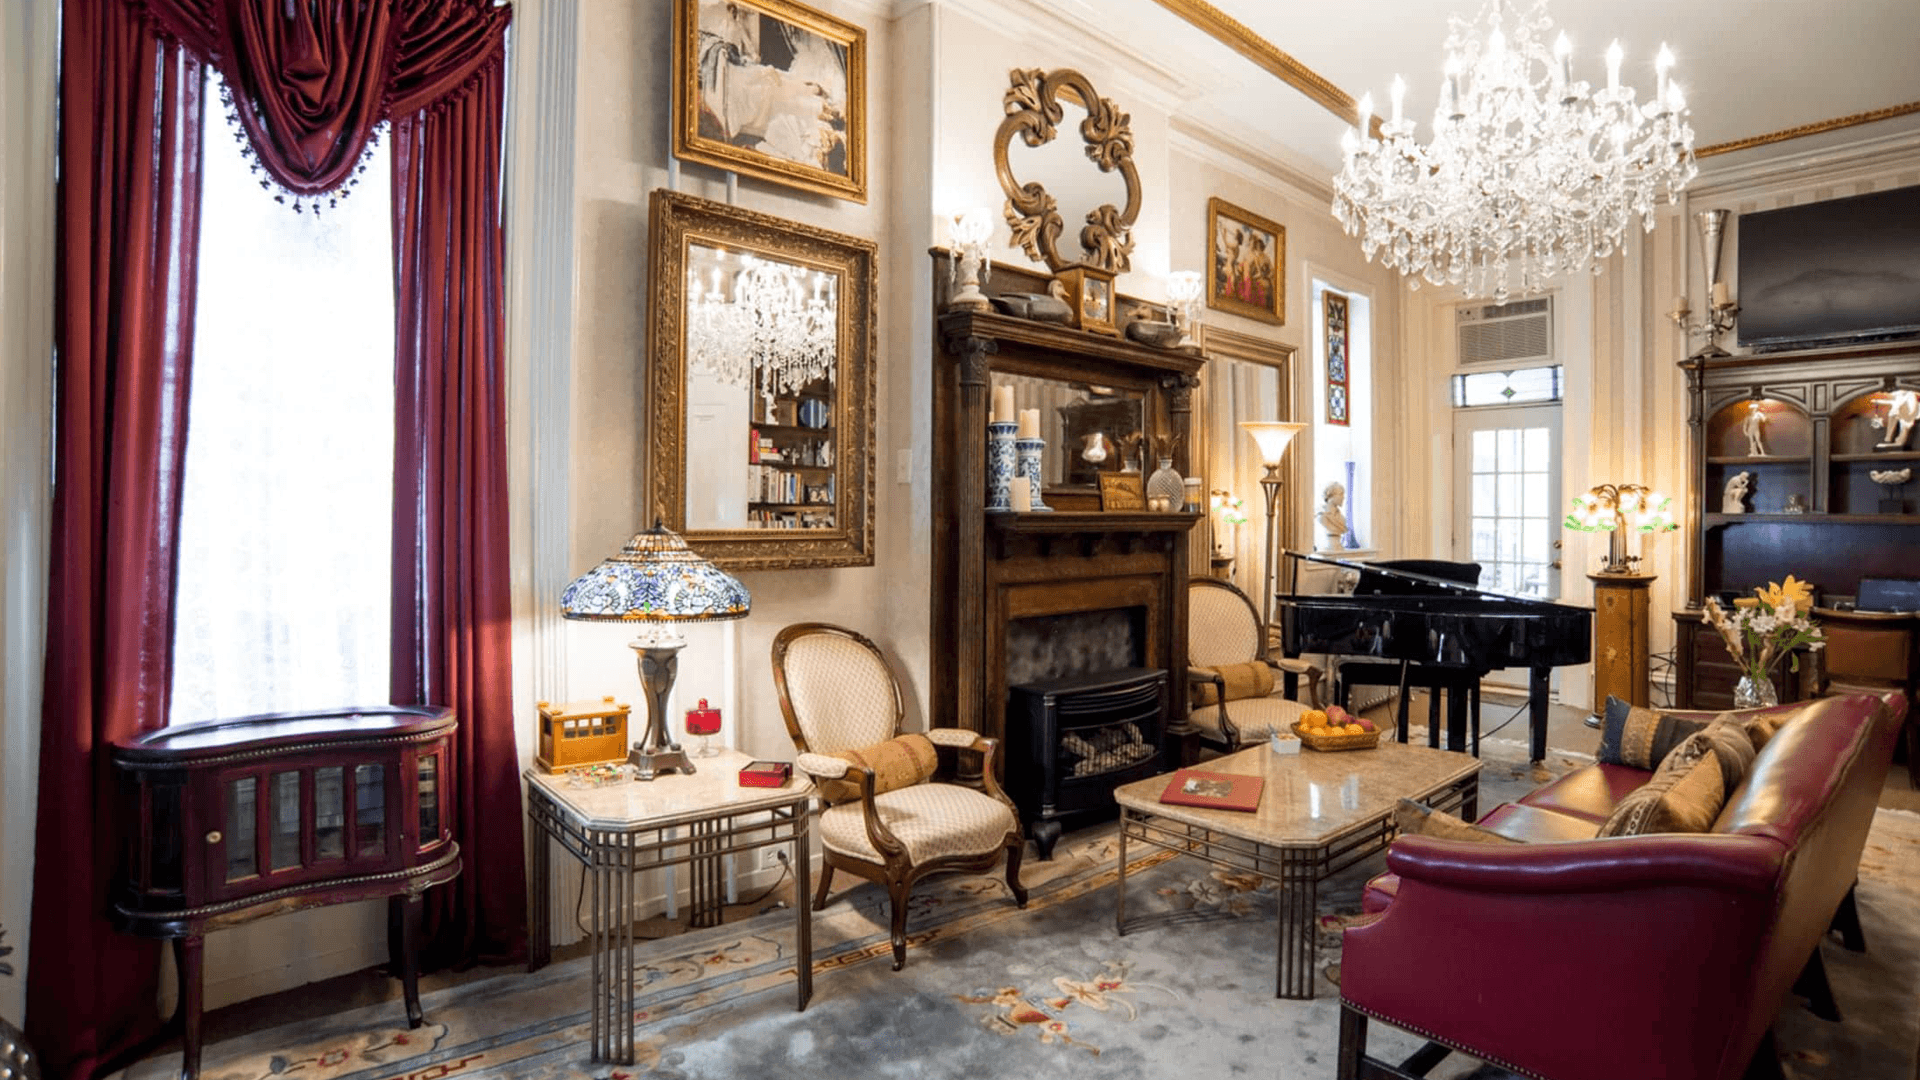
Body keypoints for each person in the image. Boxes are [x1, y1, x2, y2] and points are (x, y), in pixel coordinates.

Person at [1318, 482, 1349, 550]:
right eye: (1341, 494)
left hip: (1339, 548)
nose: (1343, 497)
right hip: (1330, 547)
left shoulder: (1341, 517)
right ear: (1331, 496)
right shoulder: (1322, 515)